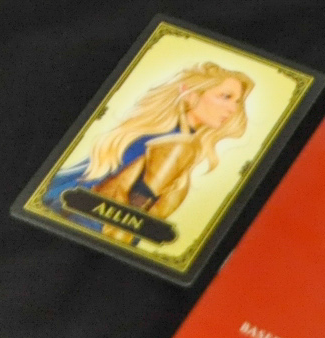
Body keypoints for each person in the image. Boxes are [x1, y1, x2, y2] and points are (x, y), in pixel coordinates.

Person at [40, 62, 253, 246]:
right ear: (190, 94)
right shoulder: (173, 144)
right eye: (225, 97)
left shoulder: (166, 136)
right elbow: (135, 209)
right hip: (84, 228)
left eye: (237, 101)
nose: (233, 109)